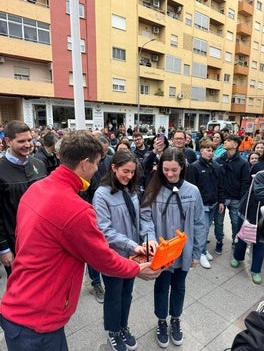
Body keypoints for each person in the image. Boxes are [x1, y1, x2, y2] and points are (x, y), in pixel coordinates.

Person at [0, 130, 161, 351]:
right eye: (96, 163)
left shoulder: (36, 188)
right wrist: (136, 268)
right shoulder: (76, 208)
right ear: (85, 163)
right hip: (39, 319)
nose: (97, 169)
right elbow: (103, 259)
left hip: (20, 303)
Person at [140, 147, 206, 348]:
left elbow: (199, 223)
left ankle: (175, 319)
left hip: (183, 253)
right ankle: (161, 320)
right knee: (161, 287)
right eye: (166, 170)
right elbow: (145, 218)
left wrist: (196, 252)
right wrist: (150, 240)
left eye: (174, 170)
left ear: (182, 167)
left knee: (179, 286)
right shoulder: (153, 189)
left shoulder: (192, 191)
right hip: (162, 253)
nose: (169, 174)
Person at [93, 150, 149, 351]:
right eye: (125, 171)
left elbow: (138, 218)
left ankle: (123, 326)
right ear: (113, 167)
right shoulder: (101, 194)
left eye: (132, 172)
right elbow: (104, 230)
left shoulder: (131, 190)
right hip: (113, 256)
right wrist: (131, 244)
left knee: (127, 293)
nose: (129, 176)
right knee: (114, 295)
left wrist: (145, 241)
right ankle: (113, 331)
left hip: (133, 255)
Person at [0, 120, 47, 277]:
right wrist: (3, 248)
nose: (28, 145)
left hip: (43, 242)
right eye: (21, 141)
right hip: (15, 245)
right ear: (8, 141)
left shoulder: (39, 165)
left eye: (29, 140)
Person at [80, 134, 112, 303]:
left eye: (104, 149)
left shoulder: (111, 161)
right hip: (92, 212)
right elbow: (83, 192)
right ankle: (95, 282)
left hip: (109, 212)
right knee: (92, 250)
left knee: (105, 247)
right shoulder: (88, 165)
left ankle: (108, 276)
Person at [187, 138, 225, 269]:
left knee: (206, 228)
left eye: (212, 150)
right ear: (201, 150)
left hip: (213, 203)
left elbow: (220, 185)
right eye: (208, 150)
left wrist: (221, 201)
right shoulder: (194, 167)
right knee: (202, 230)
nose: (210, 152)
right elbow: (191, 188)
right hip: (201, 205)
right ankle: (200, 253)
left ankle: (203, 250)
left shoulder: (215, 166)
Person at [214, 135, 250, 254]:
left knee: (235, 222)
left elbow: (245, 183)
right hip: (222, 198)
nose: (225, 142)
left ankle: (236, 240)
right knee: (218, 222)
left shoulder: (243, 163)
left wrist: (241, 200)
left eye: (228, 141)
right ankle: (219, 241)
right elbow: (216, 180)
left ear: (235, 145)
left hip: (236, 199)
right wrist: (219, 198)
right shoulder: (218, 160)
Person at [231, 169, 264, 284]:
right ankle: (237, 257)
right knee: (243, 237)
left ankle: (256, 270)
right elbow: (260, 192)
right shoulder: (262, 175)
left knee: (261, 243)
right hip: (248, 212)